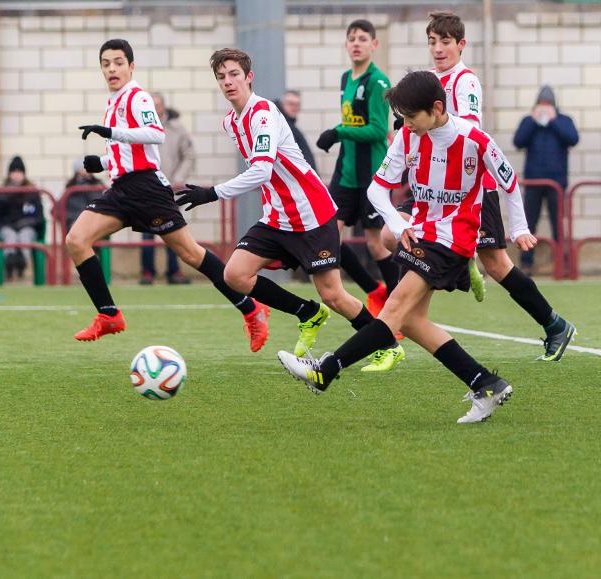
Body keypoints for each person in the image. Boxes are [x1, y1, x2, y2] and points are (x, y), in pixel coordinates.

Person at [279, 71, 534, 424]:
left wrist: (519, 228)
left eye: (411, 117)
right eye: (402, 118)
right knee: (412, 321)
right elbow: (376, 190)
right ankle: (485, 383)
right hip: (420, 233)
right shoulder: (406, 137)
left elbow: (509, 182)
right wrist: (399, 224)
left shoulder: (474, 139)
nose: (406, 124)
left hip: (454, 238)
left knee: (394, 308)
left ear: (437, 108)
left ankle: (326, 370)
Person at [175, 48, 404, 371]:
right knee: (235, 275)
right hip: (278, 218)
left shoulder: (263, 114)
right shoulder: (231, 122)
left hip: (311, 214)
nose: (228, 82)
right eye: (221, 77)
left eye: (234, 74)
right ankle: (307, 313)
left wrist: (212, 193)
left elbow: (262, 171)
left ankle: (387, 345)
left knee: (334, 295)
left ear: (249, 77)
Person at [66, 38, 269, 352]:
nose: (112, 69)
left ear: (131, 66)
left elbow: (155, 135)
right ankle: (108, 315)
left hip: (147, 189)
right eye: (106, 64)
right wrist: (103, 161)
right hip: (121, 189)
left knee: (190, 254)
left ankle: (251, 309)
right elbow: (133, 150)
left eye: (118, 62)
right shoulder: (114, 101)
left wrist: (110, 133)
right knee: (76, 239)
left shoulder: (137, 97)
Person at [419, 10, 575, 361]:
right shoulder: (427, 79)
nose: (438, 49)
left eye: (445, 42)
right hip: (439, 187)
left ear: (461, 45)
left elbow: (470, 129)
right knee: (397, 238)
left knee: (499, 264)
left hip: (474, 185)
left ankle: (554, 324)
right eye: (432, 42)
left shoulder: (465, 81)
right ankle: (453, 274)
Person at [316, 19, 399, 320]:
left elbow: (378, 131)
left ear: (374, 44)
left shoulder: (379, 82)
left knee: (376, 245)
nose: (356, 43)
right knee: (328, 236)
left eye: (363, 38)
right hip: (345, 173)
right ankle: (372, 289)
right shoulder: (345, 79)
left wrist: (338, 132)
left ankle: (396, 307)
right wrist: (341, 134)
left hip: (370, 176)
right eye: (351, 38)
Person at [513, 85, 579, 274]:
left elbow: (572, 139)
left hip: (556, 183)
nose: (544, 106)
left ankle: (562, 263)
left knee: (557, 223)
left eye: (547, 104)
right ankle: (526, 263)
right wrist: (534, 122)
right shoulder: (529, 120)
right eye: (541, 103)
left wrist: (553, 121)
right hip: (533, 181)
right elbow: (518, 142)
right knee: (528, 224)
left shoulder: (564, 120)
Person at [140, 93, 194, 285]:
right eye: (151, 105)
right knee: (146, 231)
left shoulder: (178, 130)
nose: (155, 108)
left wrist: (178, 179)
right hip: (147, 188)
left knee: (173, 230)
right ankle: (147, 272)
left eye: (158, 105)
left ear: (164, 106)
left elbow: (188, 156)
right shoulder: (139, 129)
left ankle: (174, 271)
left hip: (170, 189)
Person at [0, 156, 45, 280]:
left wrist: (26, 223)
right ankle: (10, 263)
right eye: (14, 172)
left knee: (25, 235)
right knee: (10, 236)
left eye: (19, 172)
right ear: (9, 174)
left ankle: (21, 264)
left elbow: (39, 217)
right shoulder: (2, 191)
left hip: (27, 227)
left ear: (24, 174)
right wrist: (4, 197)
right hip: (7, 228)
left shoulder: (32, 192)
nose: (16, 175)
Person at [275, 90, 317, 171]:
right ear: (282, 104)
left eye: (297, 105)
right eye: (291, 104)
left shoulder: (290, 126)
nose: (294, 108)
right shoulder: (281, 126)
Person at [64, 158, 104, 232]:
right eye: (84, 168)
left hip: (93, 218)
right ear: (78, 170)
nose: (87, 170)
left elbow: (97, 200)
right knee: (77, 228)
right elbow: (62, 205)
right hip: (75, 219)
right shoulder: (71, 186)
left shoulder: (97, 184)